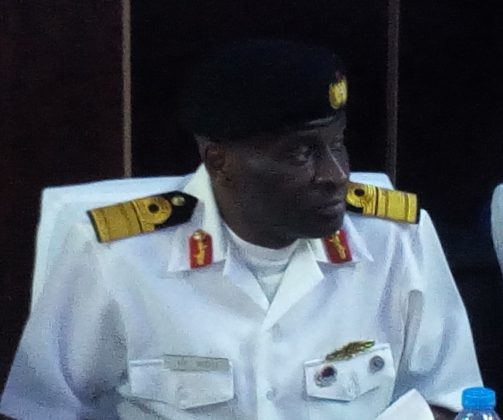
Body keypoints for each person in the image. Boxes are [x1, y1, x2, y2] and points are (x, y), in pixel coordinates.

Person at [0, 39, 482, 419]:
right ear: (219, 161)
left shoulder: (396, 240)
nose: (336, 175)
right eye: (302, 153)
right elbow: (39, 409)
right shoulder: (119, 256)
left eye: (338, 144)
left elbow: (455, 400)